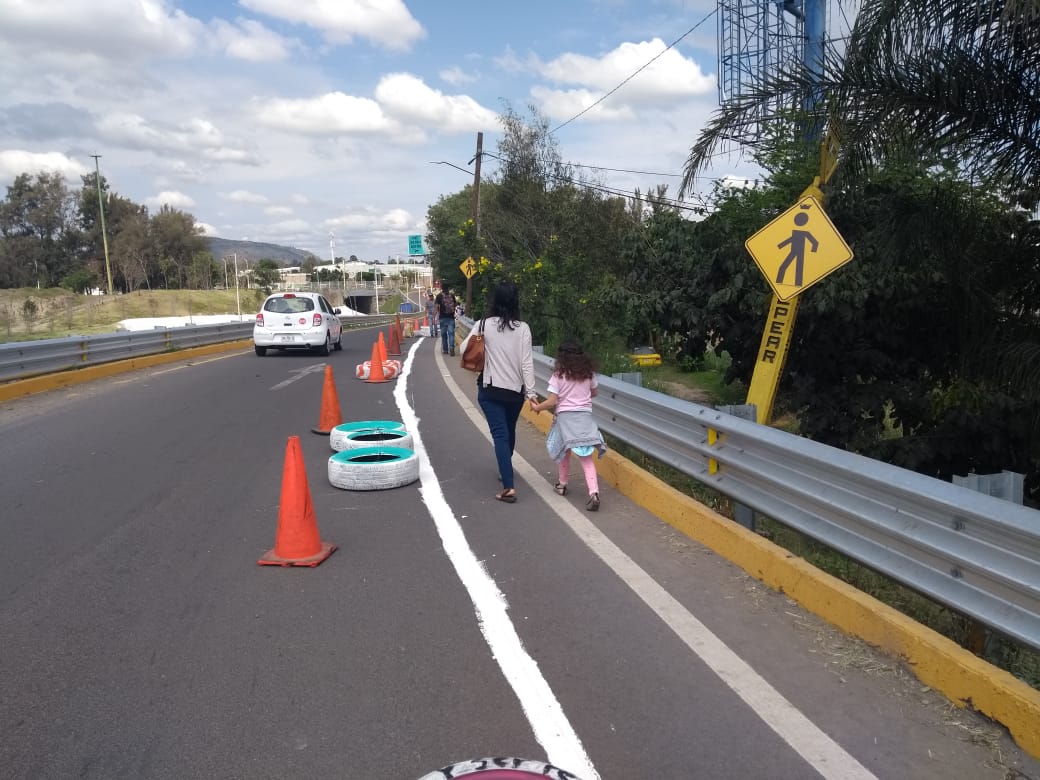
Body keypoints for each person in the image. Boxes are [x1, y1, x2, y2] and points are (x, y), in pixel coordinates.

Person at [459, 281, 538, 503]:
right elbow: (527, 364)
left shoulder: (484, 325)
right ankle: (505, 471)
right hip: (515, 393)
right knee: (509, 432)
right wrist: (531, 393)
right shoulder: (523, 329)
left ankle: (509, 486)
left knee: (500, 435)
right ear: (515, 301)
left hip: (490, 390)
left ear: (495, 300)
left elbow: (463, 349)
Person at [529, 340, 607, 511]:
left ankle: (562, 485)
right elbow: (594, 393)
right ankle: (594, 493)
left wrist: (536, 407)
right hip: (585, 418)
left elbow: (551, 401)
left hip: (565, 419)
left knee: (564, 452)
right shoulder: (588, 374)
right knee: (586, 457)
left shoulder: (559, 375)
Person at [435, 286, 457, 355]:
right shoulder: (452, 295)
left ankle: (445, 350)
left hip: (442, 318)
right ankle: (451, 348)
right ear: (448, 289)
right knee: (451, 334)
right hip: (451, 317)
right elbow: (455, 304)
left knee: (444, 335)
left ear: (442, 289)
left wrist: (434, 317)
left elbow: (436, 307)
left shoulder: (439, 296)